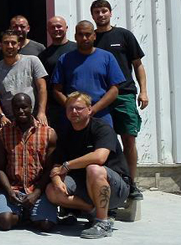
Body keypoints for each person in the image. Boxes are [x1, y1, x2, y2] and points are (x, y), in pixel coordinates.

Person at [45, 92, 131, 239]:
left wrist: (68, 165)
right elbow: (57, 164)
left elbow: (99, 157)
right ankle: (93, 212)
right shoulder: (66, 134)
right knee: (51, 190)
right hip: (85, 187)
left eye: (79, 108)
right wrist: (57, 180)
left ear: (89, 110)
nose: (74, 112)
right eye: (70, 108)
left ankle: (103, 223)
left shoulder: (102, 128)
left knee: (94, 169)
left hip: (116, 189)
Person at [91, 0, 148, 200]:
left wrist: (143, 91)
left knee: (128, 140)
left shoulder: (124, 35)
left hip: (124, 95)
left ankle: (132, 183)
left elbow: (138, 64)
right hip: (99, 98)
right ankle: (109, 184)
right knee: (103, 143)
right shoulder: (90, 38)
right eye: (97, 12)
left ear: (110, 13)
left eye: (104, 11)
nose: (101, 15)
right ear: (92, 15)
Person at [0, 93, 58, 231]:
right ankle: (22, 214)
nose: (21, 111)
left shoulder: (48, 133)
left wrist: (37, 193)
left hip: (38, 188)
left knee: (46, 225)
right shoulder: (2, 133)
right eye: (17, 108)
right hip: (12, 188)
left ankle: (31, 213)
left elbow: (49, 169)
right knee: (5, 222)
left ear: (31, 107)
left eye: (24, 107)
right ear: (12, 109)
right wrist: (9, 192)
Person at [51, 21, 125, 129]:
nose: (84, 38)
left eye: (88, 34)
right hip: (73, 119)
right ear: (75, 37)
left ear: (94, 36)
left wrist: (93, 109)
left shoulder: (107, 57)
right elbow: (56, 90)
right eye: (80, 34)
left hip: (101, 116)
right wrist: (73, 108)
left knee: (104, 146)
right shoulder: (65, 59)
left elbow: (114, 90)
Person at [0, 30, 48, 127]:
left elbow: (42, 88)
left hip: (34, 119)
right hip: (9, 123)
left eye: (13, 43)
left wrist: (42, 112)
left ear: (19, 45)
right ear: (0, 45)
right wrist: (1, 116)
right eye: (6, 43)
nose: (10, 46)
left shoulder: (33, 61)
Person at [38, 16, 76, 130]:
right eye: (52, 27)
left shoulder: (77, 48)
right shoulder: (44, 55)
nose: (56, 29)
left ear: (66, 28)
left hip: (78, 103)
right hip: (55, 107)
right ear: (48, 30)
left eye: (59, 26)